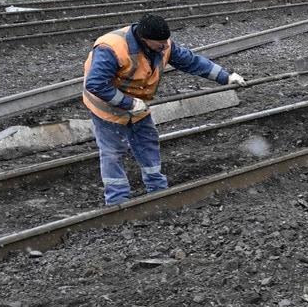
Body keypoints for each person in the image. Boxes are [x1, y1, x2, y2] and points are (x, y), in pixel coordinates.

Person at [82, 13, 245, 205]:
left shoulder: (162, 44)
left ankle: (157, 190)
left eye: (166, 41)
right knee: (112, 152)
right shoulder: (111, 48)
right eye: (160, 44)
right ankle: (117, 200)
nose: (165, 46)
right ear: (144, 40)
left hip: (139, 104)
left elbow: (191, 62)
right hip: (107, 108)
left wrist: (225, 77)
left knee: (147, 143)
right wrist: (128, 103)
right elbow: (96, 84)